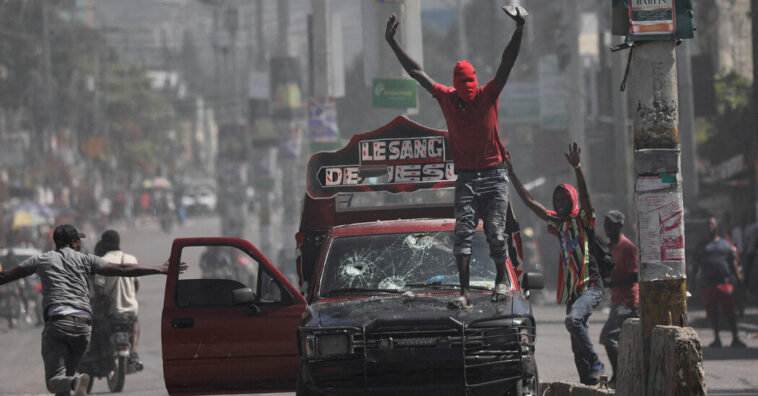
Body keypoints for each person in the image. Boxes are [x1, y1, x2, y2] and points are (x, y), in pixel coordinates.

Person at [385, 5, 525, 309]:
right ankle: (464, 293)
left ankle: (501, 279)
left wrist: (519, 30)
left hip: (493, 174)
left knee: (496, 233)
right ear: (456, 89)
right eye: (464, 93)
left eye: (471, 92)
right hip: (466, 176)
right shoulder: (447, 97)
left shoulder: (487, 95)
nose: (468, 97)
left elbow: (506, 63)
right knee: (462, 232)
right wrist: (392, 42)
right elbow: (416, 72)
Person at [0, 224, 187, 396]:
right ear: (73, 243)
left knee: (54, 382)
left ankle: (75, 381)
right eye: (78, 241)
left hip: (58, 324)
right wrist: (159, 269)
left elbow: (7, 275)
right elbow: (122, 268)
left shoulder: (41, 259)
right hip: (83, 326)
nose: (81, 244)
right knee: (66, 382)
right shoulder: (86, 260)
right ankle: (75, 381)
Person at [505, 143, 605, 385]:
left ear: (572, 200)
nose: (560, 202)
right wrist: (511, 173)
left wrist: (577, 167)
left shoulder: (583, 219)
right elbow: (529, 201)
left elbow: (586, 196)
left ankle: (596, 362)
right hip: (573, 293)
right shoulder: (558, 224)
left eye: (564, 198)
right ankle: (589, 382)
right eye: (556, 198)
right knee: (575, 342)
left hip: (590, 287)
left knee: (573, 322)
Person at [598, 210, 639, 389]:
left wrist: (613, 283)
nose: (608, 227)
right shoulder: (608, 245)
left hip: (628, 300)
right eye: (606, 223)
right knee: (616, 340)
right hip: (616, 300)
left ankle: (619, 374)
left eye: (611, 224)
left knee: (608, 337)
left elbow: (635, 275)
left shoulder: (628, 247)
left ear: (620, 226)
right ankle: (624, 375)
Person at [92, 230, 143, 367]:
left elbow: (99, 290)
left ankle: (103, 355)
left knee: (98, 329)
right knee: (135, 323)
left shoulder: (102, 261)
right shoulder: (131, 259)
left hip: (112, 310)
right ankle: (134, 351)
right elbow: (136, 285)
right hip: (131, 308)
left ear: (103, 243)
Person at [696, 216, 746, 348]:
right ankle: (717, 338)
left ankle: (735, 338)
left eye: (712, 225)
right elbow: (696, 264)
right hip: (709, 284)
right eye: (708, 225)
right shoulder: (702, 246)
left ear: (716, 227)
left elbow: (733, 262)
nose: (710, 227)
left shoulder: (725, 244)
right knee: (713, 313)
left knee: (730, 312)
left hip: (725, 283)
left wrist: (739, 277)